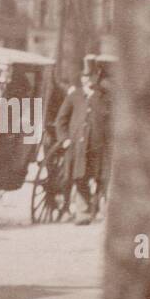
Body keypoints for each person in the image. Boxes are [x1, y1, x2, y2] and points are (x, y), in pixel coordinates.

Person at [55, 62, 110, 225]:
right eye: (85, 76)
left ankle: (98, 208)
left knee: (100, 177)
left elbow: (112, 122)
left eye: (91, 76)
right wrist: (64, 139)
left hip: (98, 147)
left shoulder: (105, 97)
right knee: (80, 177)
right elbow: (61, 120)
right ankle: (83, 212)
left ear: (97, 77)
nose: (87, 79)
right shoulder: (74, 96)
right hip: (77, 147)